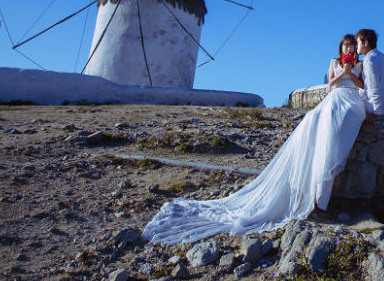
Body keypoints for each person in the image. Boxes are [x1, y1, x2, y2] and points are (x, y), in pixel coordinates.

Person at [142, 35, 366, 245]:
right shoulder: (334, 62)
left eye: (351, 46)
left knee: (335, 122)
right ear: (341, 48)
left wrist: (351, 72)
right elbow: (331, 83)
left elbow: (361, 85)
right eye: (345, 45)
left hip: (351, 100)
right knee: (314, 117)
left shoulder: (360, 63)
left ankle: (327, 169)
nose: (349, 48)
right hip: (335, 96)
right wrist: (343, 71)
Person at [356, 29, 384, 121]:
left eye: (357, 43)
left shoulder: (369, 60)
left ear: (365, 43)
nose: (356, 46)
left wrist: (376, 112)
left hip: (375, 109)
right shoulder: (383, 57)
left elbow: (373, 87)